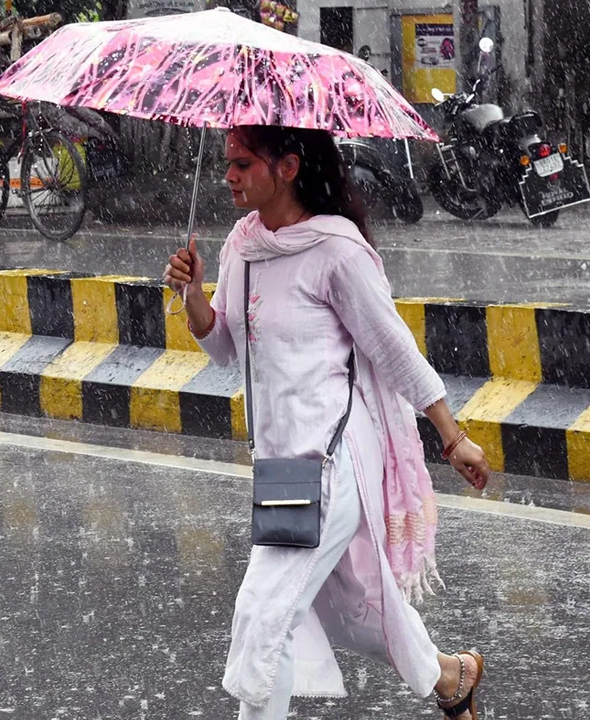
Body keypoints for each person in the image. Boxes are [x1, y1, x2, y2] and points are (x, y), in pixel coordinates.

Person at [164, 125, 491, 720]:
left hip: (334, 458)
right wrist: (193, 296)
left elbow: (393, 348)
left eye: (242, 164)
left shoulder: (337, 251)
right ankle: (450, 675)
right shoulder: (244, 243)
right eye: (227, 164)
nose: (228, 176)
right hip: (281, 464)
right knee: (355, 606)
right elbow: (226, 347)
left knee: (268, 610)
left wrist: (454, 435)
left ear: (287, 167)